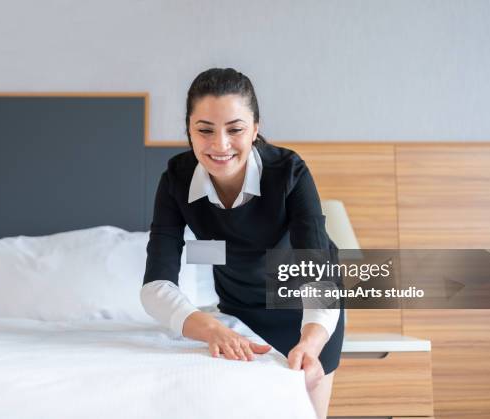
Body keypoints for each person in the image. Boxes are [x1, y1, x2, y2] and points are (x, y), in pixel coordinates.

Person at [140, 68, 344, 419]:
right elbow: (156, 284)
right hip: (237, 309)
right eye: (205, 130)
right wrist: (210, 328)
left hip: (305, 310)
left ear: (255, 128)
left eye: (235, 129)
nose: (220, 145)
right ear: (189, 129)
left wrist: (311, 341)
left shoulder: (290, 172)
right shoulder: (176, 179)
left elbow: (317, 270)